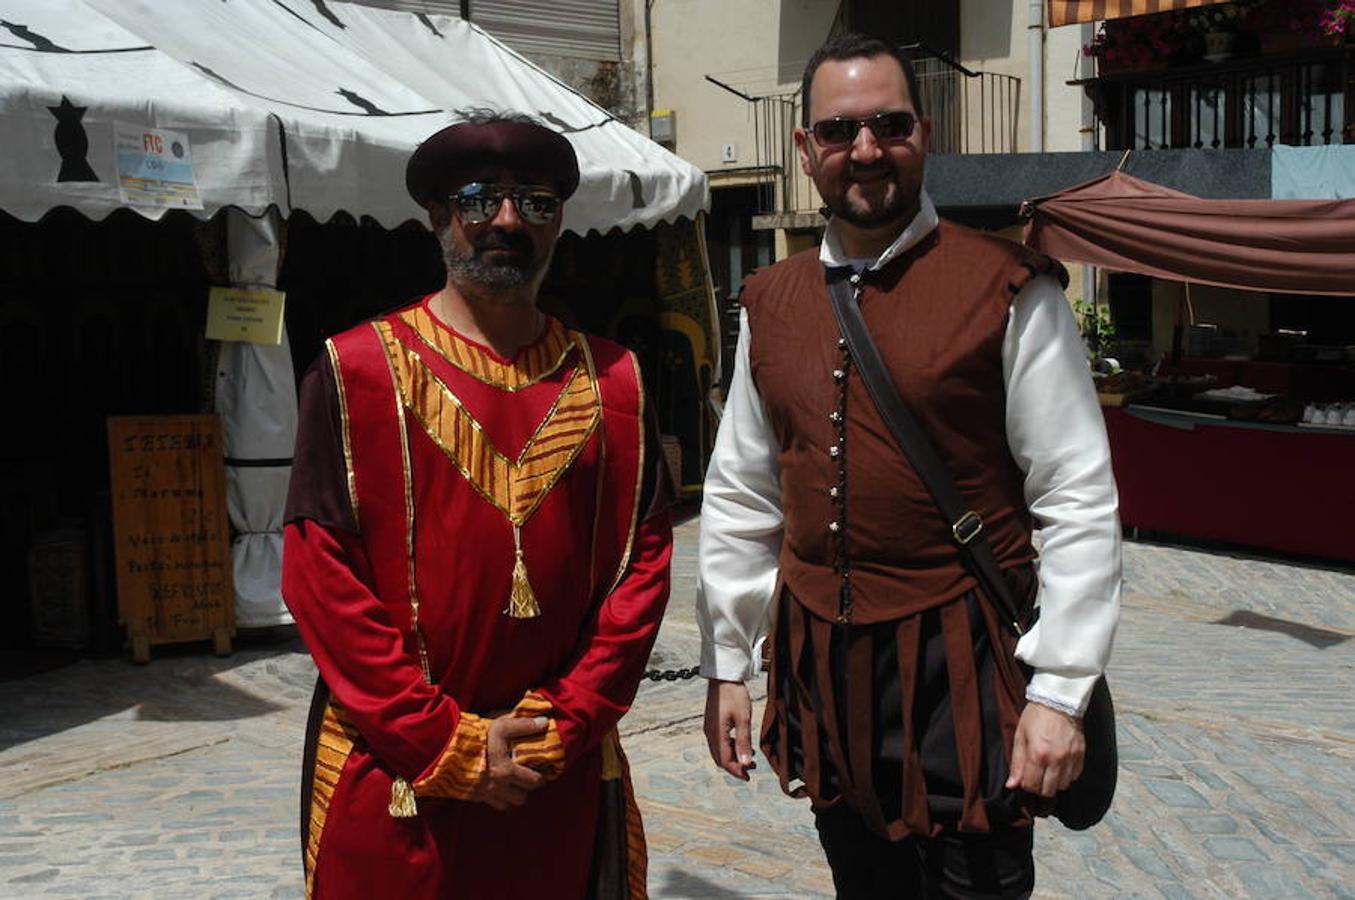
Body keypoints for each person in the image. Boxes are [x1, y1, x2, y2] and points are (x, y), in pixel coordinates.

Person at [697, 34, 1121, 898]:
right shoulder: (769, 301)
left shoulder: (1008, 285)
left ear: (923, 133)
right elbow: (743, 492)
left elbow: (1075, 495)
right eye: (838, 130)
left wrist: (1059, 692)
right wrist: (727, 663)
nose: (865, 150)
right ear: (805, 148)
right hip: (822, 666)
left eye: (888, 125)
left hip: (964, 662)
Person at [282, 110, 672, 899]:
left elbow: (643, 568)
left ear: (558, 222)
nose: (507, 221)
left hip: (551, 770)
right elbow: (320, 575)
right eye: (478, 199)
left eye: (534, 202)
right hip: (397, 769)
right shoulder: (358, 373)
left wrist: (566, 721)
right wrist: (441, 741)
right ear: (437, 216)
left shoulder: (613, 383)